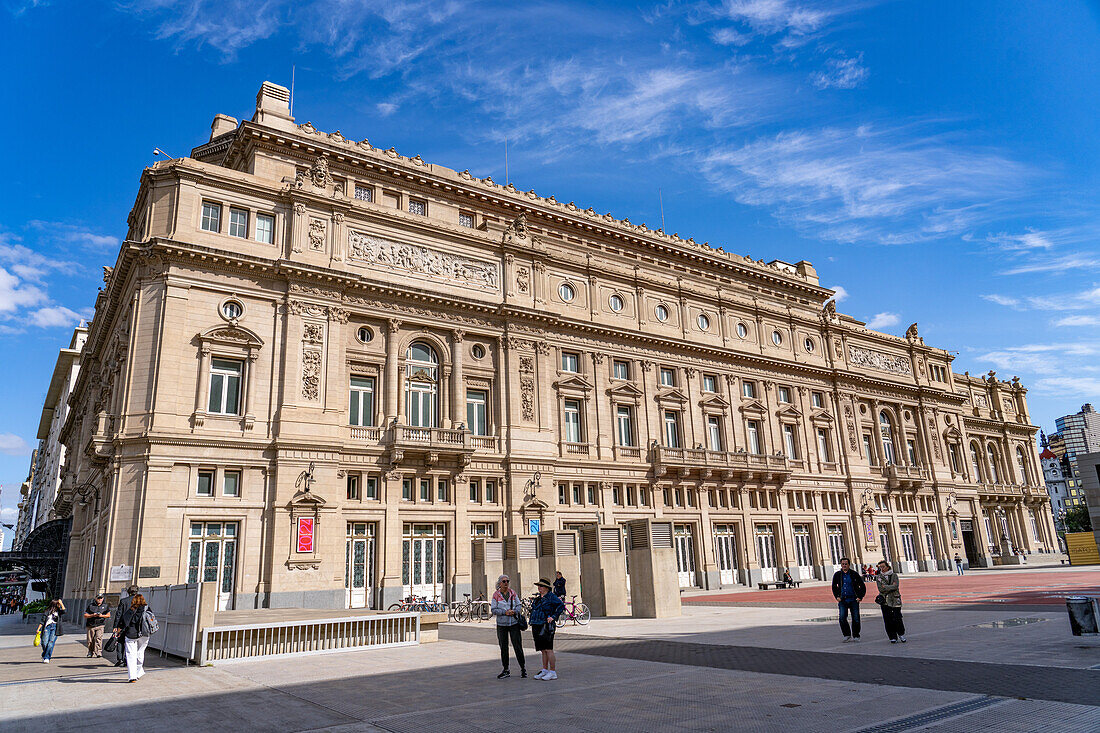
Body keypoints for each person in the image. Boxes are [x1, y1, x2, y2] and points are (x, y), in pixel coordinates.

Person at [490, 574, 526, 679]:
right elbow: (493, 609)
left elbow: (519, 605)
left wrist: (514, 611)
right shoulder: (496, 595)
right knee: (503, 647)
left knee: (517, 646)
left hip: (513, 623)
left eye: (507, 581)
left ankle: (523, 668)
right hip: (502, 625)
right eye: (504, 581)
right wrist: (504, 612)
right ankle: (506, 669)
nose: (506, 583)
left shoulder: (512, 593)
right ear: (499, 583)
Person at [529, 578, 565, 680]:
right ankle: (545, 670)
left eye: (541, 586)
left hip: (546, 626)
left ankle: (553, 671)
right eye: (538, 586)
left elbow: (561, 606)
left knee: (548, 649)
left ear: (546, 588)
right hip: (537, 624)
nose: (539, 588)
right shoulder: (538, 598)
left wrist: (553, 617)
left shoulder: (551, 597)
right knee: (543, 649)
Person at [114, 592, 152, 682]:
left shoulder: (131, 610)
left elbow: (124, 622)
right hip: (144, 634)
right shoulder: (147, 608)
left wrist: (119, 630)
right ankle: (139, 671)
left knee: (131, 654)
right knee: (140, 652)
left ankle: (132, 676)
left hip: (132, 634)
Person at [831, 557, 866, 642]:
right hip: (843, 600)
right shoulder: (837, 575)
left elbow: (862, 586)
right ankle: (847, 635)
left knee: (856, 618)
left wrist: (860, 597)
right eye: (843, 564)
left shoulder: (854, 574)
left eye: (846, 564)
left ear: (849, 565)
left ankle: (856, 635)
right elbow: (834, 586)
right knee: (842, 618)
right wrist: (837, 596)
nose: (844, 566)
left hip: (853, 599)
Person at [875, 560, 906, 643]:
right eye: (880, 567)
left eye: (883, 567)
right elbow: (880, 589)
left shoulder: (894, 575)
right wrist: (890, 587)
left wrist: (886, 587)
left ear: (887, 567)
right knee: (888, 619)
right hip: (885, 600)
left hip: (895, 600)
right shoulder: (878, 577)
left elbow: (896, 586)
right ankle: (892, 636)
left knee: (897, 618)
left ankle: (901, 634)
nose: (882, 568)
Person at [112, 585, 138, 667]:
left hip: (123, 625)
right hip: (134, 626)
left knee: (120, 641)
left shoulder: (123, 601)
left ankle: (120, 659)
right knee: (131, 643)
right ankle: (128, 659)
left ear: (128, 592)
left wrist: (115, 626)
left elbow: (118, 614)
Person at [36, 599, 65, 663]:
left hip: (55, 628)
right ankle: (45, 654)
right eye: (58, 604)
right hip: (47, 627)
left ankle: (46, 657)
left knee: (50, 643)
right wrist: (38, 629)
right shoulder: (47, 611)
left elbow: (64, 611)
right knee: (44, 642)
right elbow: (42, 621)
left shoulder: (59, 611)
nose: (59, 605)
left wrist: (61, 603)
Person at [83, 594, 111, 658]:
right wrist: (93, 615)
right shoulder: (91, 606)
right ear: (95, 598)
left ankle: (98, 652)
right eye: (98, 598)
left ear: (103, 599)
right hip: (91, 625)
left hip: (100, 625)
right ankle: (90, 651)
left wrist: (101, 616)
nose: (100, 600)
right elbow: (85, 615)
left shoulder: (105, 606)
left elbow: (108, 615)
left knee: (99, 638)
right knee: (90, 640)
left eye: (101, 598)